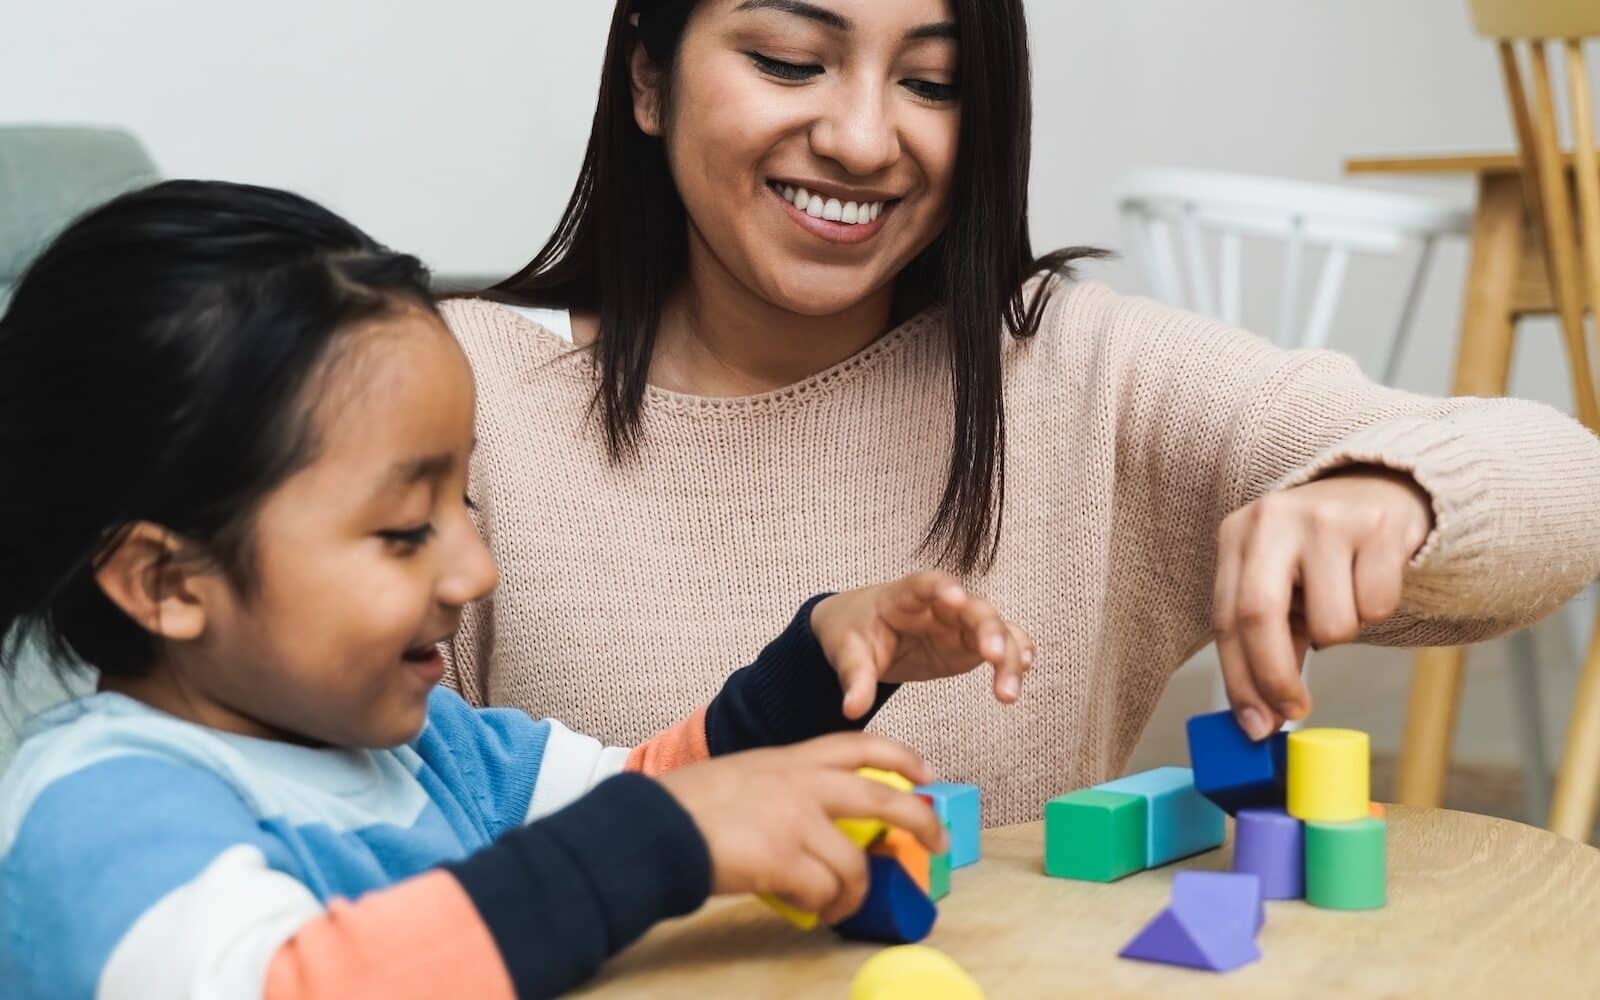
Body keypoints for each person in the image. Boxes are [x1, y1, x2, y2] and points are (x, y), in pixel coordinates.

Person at [441, 0, 1600, 824]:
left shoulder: (1070, 370)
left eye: (933, 82)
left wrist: (1387, 493)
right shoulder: (465, 396)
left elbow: (1568, 479)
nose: (859, 138)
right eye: (790, 60)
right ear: (647, 76)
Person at [0, 180, 1036, 998]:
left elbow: (650, 790)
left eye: (467, 506)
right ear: (166, 580)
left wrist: (814, 662)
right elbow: (293, 981)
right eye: (406, 530)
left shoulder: (432, 748)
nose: (472, 572)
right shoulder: (95, 808)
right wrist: (654, 841)